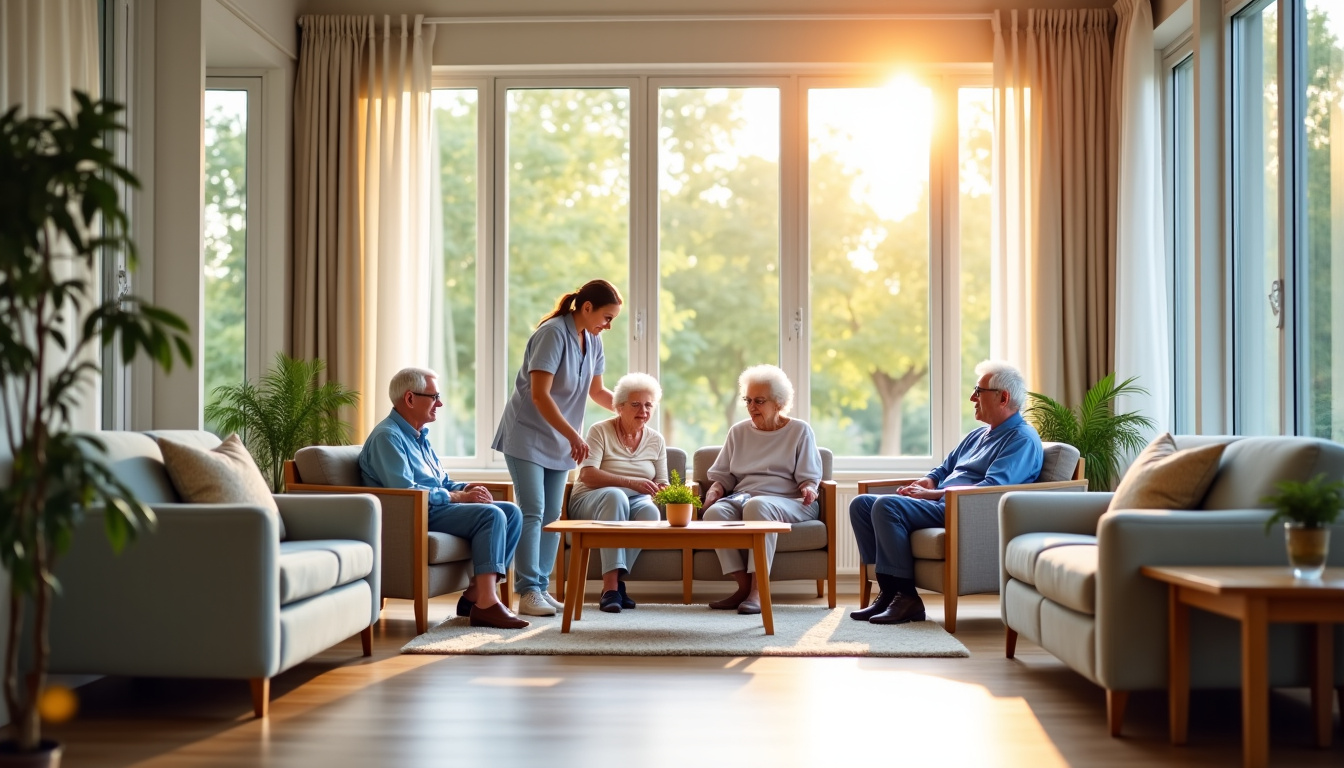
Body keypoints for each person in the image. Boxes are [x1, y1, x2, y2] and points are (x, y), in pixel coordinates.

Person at [849, 360, 1044, 626]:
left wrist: (931, 495)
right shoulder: (978, 435)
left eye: (979, 390)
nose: (972, 397)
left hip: (963, 512)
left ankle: (907, 599)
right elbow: (944, 468)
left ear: (1003, 397)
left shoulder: (1021, 440)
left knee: (887, 506)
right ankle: (889, 592)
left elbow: (990, 490)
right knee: (861, 504)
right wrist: (929, 481)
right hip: (943, 503)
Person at [360, 367, 527, 630]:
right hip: (414, 514)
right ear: (410, 398)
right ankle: (486, 604)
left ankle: (475, 595)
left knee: (510, 512)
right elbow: (406, 492)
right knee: (491, 514)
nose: (440, 403)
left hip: (433, 507)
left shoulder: (419, 437)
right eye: (434, 396)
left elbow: (441, 482)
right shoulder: (387, 437)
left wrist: (467, 487)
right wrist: (459, 496)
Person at [492, 279, 622, 617]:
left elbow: (598, 392)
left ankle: (541, 586)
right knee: (533, 511)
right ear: (587, 307)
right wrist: (574, 436)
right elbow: (539, 396)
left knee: (553, 516)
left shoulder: (593, 341)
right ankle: (527, 591)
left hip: (561, 440)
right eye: (606, 317)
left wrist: (630, 409)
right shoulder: (552, 333)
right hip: (528, 436)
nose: (608, 326)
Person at [701, 364, 822, 616]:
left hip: (790, 501)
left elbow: (809, 478)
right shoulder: (738, 432)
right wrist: (715, 490)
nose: (751, 407)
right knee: (714, 514)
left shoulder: (799, 430)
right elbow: (723, 475)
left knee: (759, 505)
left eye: (759, 401)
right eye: (748, 400)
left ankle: (758, 591)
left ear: (779, 403)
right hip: (745, 497)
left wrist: (810, 488)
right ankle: (744, 588)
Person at [567, 373, 669, 614]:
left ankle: (616, 586)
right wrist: (631, 483)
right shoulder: (600, 430)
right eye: (636, 404)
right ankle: (611, 587)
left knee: (650, 512)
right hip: (590, 499)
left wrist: (663, 491)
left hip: (634, 500)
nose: (643, 410)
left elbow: (662, 481)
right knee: (616, 496)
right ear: (619, 407)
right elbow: (587, 475)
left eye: (648, 405)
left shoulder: (656, 440)